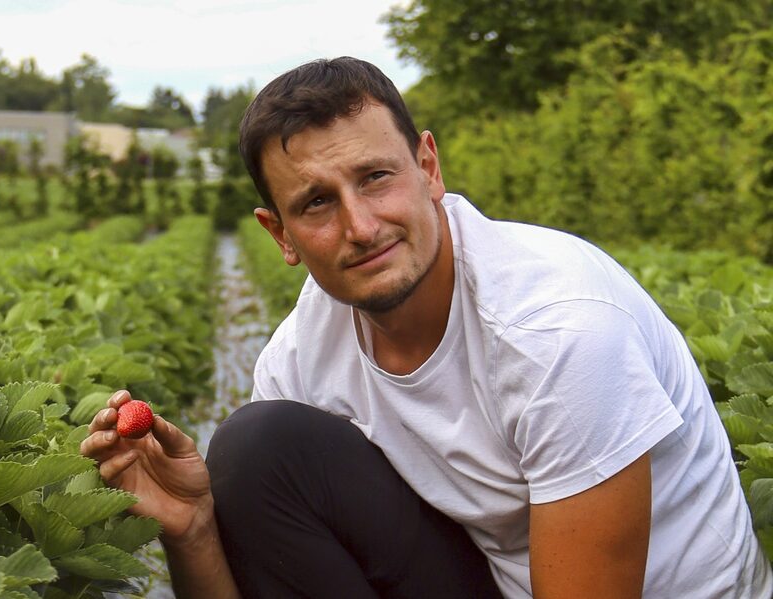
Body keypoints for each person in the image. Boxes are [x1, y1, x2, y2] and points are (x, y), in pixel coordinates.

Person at [81, 57, 772, 598]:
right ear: (280, 234)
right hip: (504, 580)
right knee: (259, 449)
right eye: (317, 202)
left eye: (376, 177)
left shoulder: (559, 329)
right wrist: (194, 527)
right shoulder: (299, 357)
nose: (361, 225)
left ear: (428, 167)